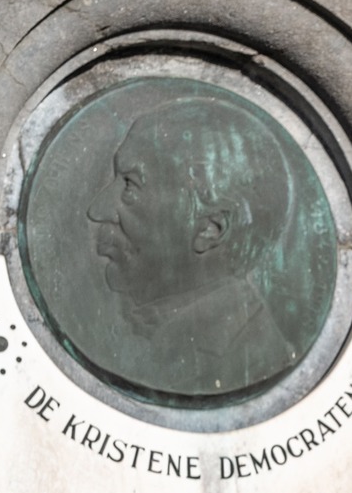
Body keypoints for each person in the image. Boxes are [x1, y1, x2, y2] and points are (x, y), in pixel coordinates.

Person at [85, 95, 299, 396]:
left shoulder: (250, 360)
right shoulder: (131, 329)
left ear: (211, 229)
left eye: (130, 186)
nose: (98, 209)